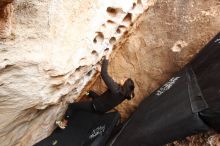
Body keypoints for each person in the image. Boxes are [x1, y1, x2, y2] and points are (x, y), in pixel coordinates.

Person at [56, 57, 135, 129]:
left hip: (94, 106)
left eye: (125, 79)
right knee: (90, 93)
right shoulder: (123, 95)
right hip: (101, 107)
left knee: (72, 106)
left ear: (125, 85)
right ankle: (86, 95)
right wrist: (100, 71)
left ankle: (63, 123)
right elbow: (113, 83)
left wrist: (106, 59)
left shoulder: (116, 90)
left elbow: (105, 74)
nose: (123, 78)